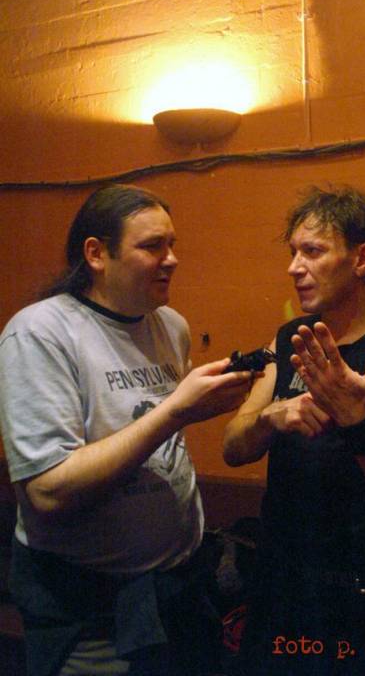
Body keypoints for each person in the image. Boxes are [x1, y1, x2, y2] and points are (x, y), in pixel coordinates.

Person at [0, 184, 253, 676]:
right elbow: (47, 493)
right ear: (97, 254)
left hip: (177, 592)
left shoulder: (169, 325)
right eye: (152, 246)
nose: (172, 259)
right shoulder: (40, 333)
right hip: (92, 612)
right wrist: (177, 410)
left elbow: (161, 434)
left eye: (172, 244)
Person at [223, 185, 365, 675]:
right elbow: (232, 448)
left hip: (362, 599)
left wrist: (358, 425)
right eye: (293, 253)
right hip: (279, 587)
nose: (294, 267)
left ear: (362, 259)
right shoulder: (292, 338)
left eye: (312, 251)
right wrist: (270, 416)